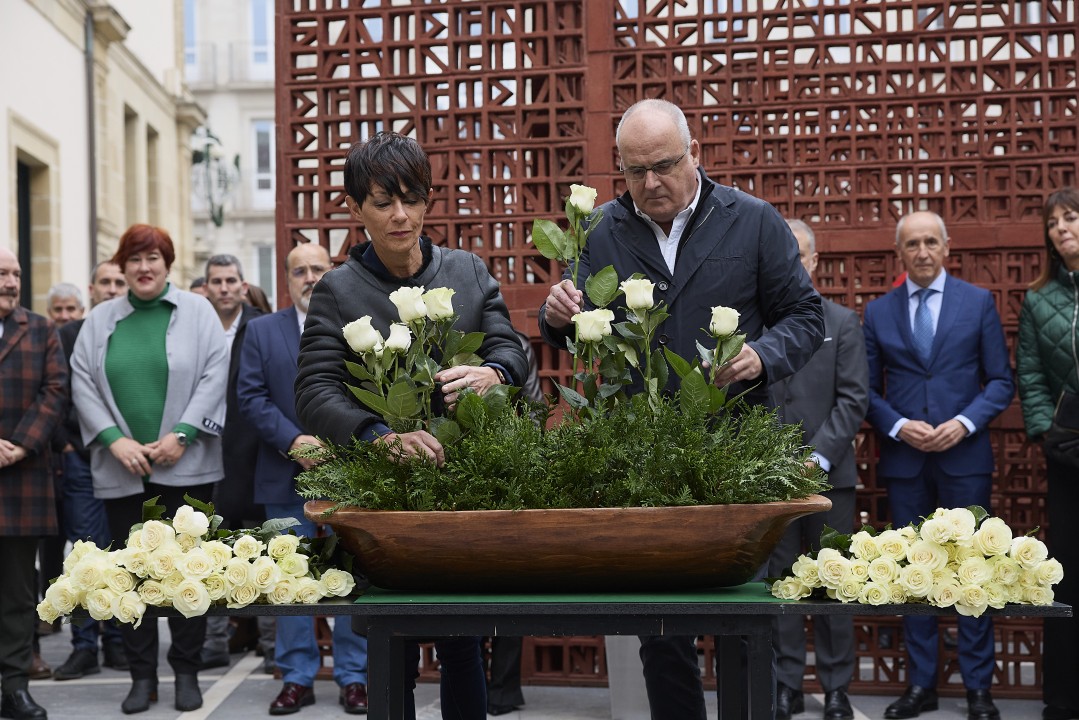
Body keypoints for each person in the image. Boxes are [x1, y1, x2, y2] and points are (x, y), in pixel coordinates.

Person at [538, 98, 824, 720]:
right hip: (643, 452)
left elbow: (806, 316)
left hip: (736, 446)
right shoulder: (602, 231)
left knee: (744, 614)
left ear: (694, 153)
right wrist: (556, 317)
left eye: (664, 166)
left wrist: (763, 355)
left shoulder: (752, 220)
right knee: (661, 625)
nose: (650, 183)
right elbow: (574, 323)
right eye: (635, 171)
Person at [295, 131, 529, 720]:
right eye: (383, 202)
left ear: (427, 200)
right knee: (390, 640)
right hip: (382, 495)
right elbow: (315, 391)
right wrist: (377, 437)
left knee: (463, 639)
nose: (400, 215)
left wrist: (494, 373)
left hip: (462, 488)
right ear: (356, 208)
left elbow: (511, 348)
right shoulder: (338, 290)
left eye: (412, 199)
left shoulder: (467, 272)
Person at [70, 224, 229, 714]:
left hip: (187, 465)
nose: (144, 268)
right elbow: (82, 380)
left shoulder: (198, 312)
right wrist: (113, 441)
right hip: (123, 470)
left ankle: (186, 672)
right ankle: (142, 677)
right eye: (134, 259)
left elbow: (216, 372)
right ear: (122, 267)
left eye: (152, 258)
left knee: (188, 574)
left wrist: (183, 433)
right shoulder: (99, 319)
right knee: (129, 577)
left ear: (167, 264)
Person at [863, 211, 1014, 720]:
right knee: (913, 569)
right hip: (905, 460)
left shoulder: (978, 302)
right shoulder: (878, 312)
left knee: (975, 568)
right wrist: (898, 425)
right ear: (899, 253)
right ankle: (920, 685)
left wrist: (965, 423)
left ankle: (978, 690)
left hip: (964, 458)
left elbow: (1001, 381)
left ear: (947, 247)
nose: (923, 251)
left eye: (931, 241)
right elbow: (866, 390)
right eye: (912, 244)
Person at [237, 242, 370, 714]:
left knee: (349, 575)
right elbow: (250, 397)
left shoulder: (356, 326)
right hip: (283, 473)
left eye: (318, 268)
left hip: (348, 470)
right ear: (287, 278)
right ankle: (296, 676)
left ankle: (355, 676)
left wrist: (340, 441)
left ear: (331, 273)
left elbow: (368, 392)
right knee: (287, 576)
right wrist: (294, 441)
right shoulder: (261, 330)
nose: (310, 277)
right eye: (300, 271)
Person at [765, 220, 868, 720]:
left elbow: (853, 398)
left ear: (813, 261)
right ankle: (786, 684)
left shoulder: (842, 322)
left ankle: (836, 688)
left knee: (835, 579)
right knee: (781, 582)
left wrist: (818, 456)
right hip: (770, 480)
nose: (791, 262)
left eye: (798, 254)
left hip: (830, 477)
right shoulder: (755, 324)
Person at [1016, 187, 1079, 720]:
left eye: (1071, 218)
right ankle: (1063, 697)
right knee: (1069, 572)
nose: (1062, 228)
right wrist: (1046, 432)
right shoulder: (1038, 299)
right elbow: (1032, 374)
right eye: (1054, 223)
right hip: (1068, 450)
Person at [52, 261, 129, 681]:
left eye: (119, 282)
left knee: (121, 551)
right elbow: (58, 392)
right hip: (81, 459)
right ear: (92, 288)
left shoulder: (133, 329)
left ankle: (117, 640)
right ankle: (84, 645)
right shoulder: (69, 334)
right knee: (84, 554)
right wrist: (66, 442)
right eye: (106, 282)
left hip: (127, 462)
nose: (113, 288)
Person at [0, 246, 67, 720]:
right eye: (1, 274)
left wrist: (21, 445)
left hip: (21, 480)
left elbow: (55, 390)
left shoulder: (41, 329)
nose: (10, 282)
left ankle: (15, 688)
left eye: (16, 274)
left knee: (19, 596)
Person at [200, 254, 265, 671]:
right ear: (206, 287)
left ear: (243, 286)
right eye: (216, 281)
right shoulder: (195, 325)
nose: (223, 288)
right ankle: (214, 641)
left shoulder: (260, 325)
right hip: (205, 450)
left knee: (262, 550)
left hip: (255, 452)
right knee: (208, 550)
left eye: (230, 280)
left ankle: (270, 642)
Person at [485, 330, 545, 717]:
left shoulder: (518, 345)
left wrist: (525, 459)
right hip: (455, 470)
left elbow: (535, 409)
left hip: (510, 473)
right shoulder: (441, 334)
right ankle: (479, 682)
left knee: (511, 584)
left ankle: (503, 689)